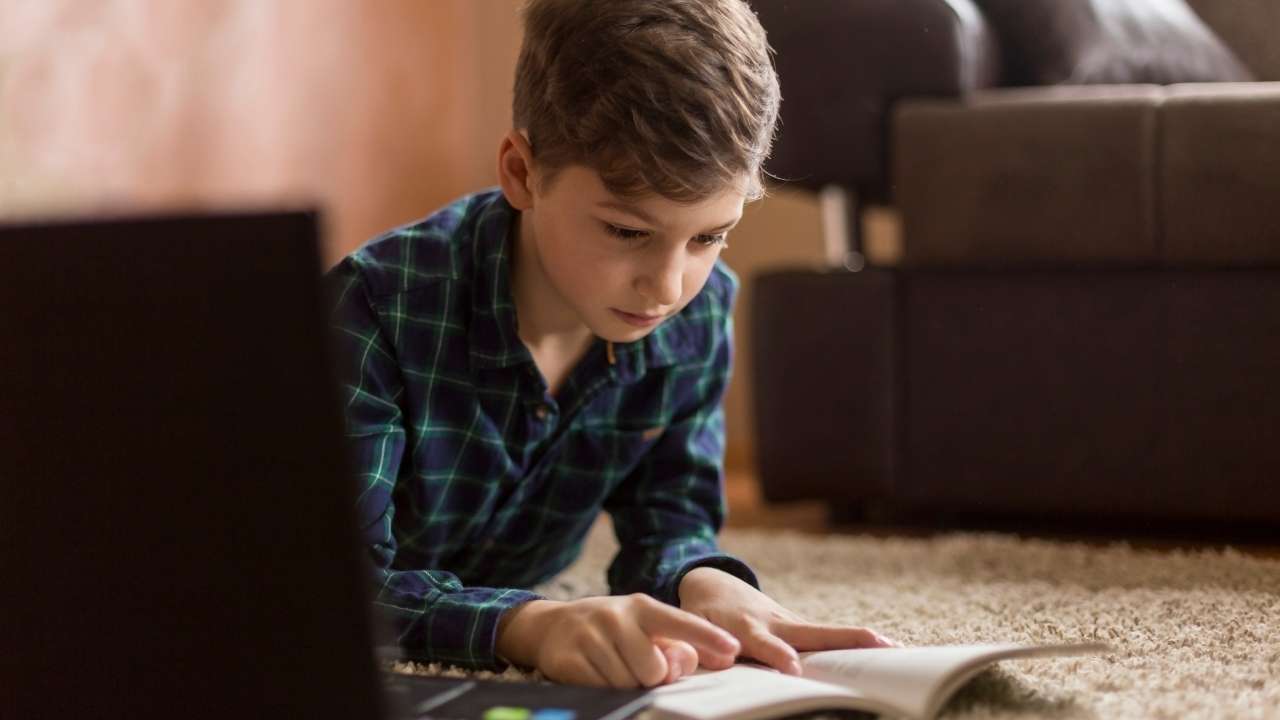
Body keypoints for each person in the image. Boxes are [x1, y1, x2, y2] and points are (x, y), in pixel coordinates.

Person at [325, 0, 894, 690]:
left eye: (709, 237)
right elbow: (332, 593)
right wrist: (528, 625)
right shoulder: (375, 309)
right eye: (627, 232)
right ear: (522, 172)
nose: (666, 284)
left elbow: (670, 514)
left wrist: (704, 581)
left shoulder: (697, 313)